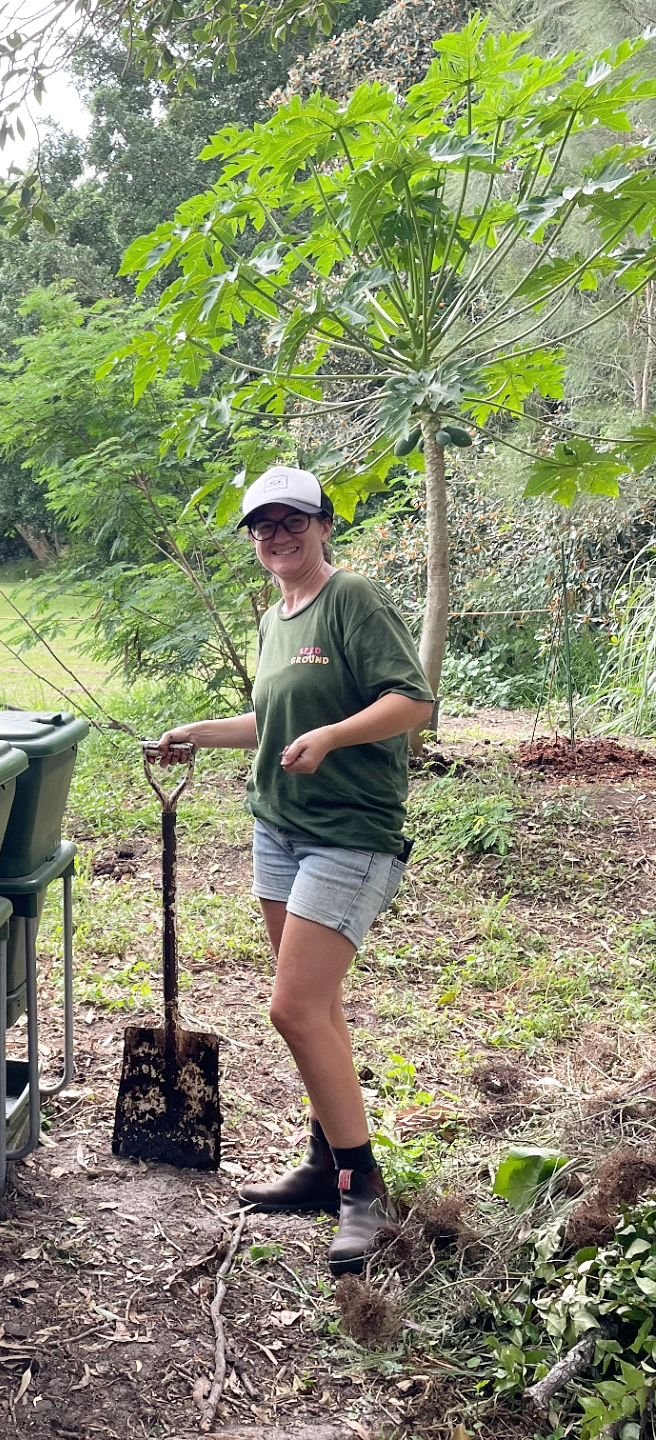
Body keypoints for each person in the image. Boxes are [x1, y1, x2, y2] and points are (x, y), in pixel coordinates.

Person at [157, 465, 434, 1274]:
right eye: (261, 525)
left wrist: (334, 738)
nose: (275, 535)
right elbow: (273, 718)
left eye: (291, 521)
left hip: (350, 833)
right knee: (317, 1008)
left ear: (323, 525)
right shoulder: (280, 616)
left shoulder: (353, 598)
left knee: (294, 1007)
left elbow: (413, 702)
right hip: (279, 829)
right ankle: (325, 1163)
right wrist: (199, 733)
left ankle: (364, 1195)